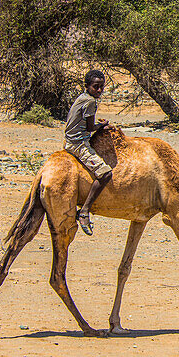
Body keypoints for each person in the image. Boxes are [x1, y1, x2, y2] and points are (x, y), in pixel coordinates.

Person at [63, 70, 112, 235]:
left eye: (101, 87)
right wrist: (104, 126)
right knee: (105, 173)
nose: (99, 90)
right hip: (78, 144)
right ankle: (84, 211)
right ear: (87, 86)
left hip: (70, 139)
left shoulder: (83, 98)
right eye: (95, 87)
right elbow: (91, 127)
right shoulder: (90, 102)